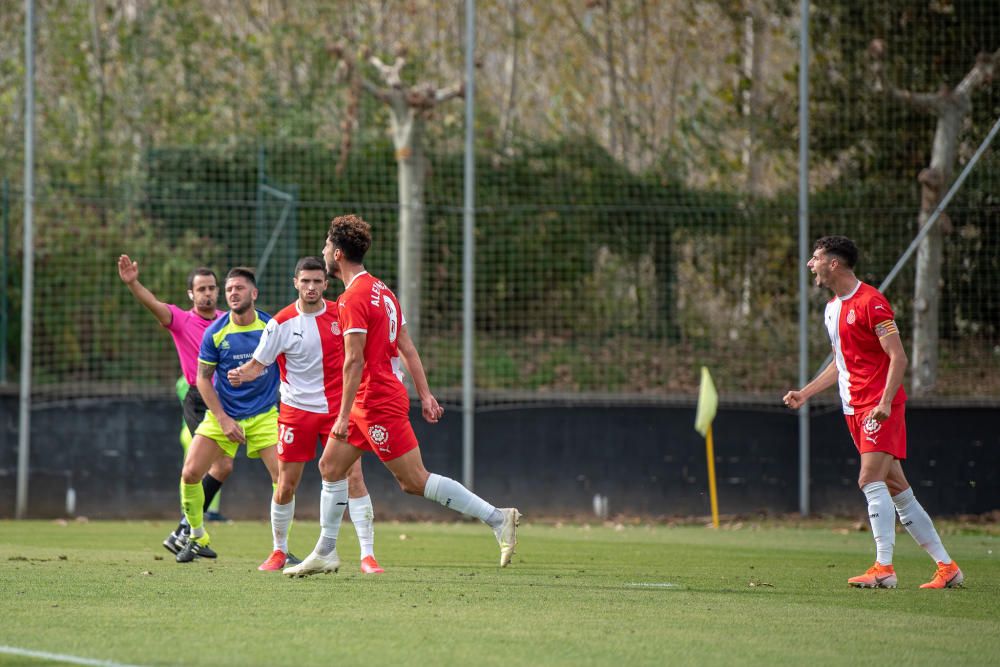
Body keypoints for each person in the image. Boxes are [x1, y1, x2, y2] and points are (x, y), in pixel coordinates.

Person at [284, 214, 521, 577]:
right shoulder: (383, 291)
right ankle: (326, 551)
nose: (323, 250)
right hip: (371, 400)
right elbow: (406, 346)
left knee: (414, 481)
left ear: (338, 254)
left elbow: (353, 360)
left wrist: (344, 416)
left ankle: (497, 517)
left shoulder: (352, 298)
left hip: (376, 402)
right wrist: (424, 395)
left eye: (326, 245)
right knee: (330, 465)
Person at [783, 236, 963, 589]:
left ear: (834, 264)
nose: (810, 264)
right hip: (854, 408)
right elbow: (841, 363)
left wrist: (884, 402)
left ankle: (883, 568)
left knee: (869, 480)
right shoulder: (832, 309)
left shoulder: (872, 303)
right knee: (898, 489)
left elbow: (899, 357)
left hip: (880, 407)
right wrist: (805, 393)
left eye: (815, 258)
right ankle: (948, 567)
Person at [228, 256, 384, 574]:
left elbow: (361, 355)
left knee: (354, 476)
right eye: (305, 281)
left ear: (326, 284)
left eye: (317, 281)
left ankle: (367, 555)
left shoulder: (342, 313)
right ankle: (279, 550)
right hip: (296, 412)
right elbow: (259, 364)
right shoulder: (281, 323)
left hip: (338, 410)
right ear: (295, 282)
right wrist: (242, 374)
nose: (311, 287)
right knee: (286, 483)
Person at [117, 255, 230, 554]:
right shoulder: (181, 320)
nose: (207, 293)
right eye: (201, 289)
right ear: (191, 294)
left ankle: (184, 531)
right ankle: (186, 531)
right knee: (214, 465)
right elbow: (153, 304)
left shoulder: (227, 320)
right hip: (198, 399)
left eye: (211, 288)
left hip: (225, 400)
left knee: (222, 466)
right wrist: (133, 283)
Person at [175, 267, 282, 563]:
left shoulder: (271, 327)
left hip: (264, 415)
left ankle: (280, 549)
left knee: (283, 479)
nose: (233, 293)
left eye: (239, 288)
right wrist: (222, 418)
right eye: (230, 289)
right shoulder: (216, 331)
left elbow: (288, 363)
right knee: (190, 473)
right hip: (225, 415)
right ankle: (196, 535)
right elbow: (202, 379)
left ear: (254, 294)